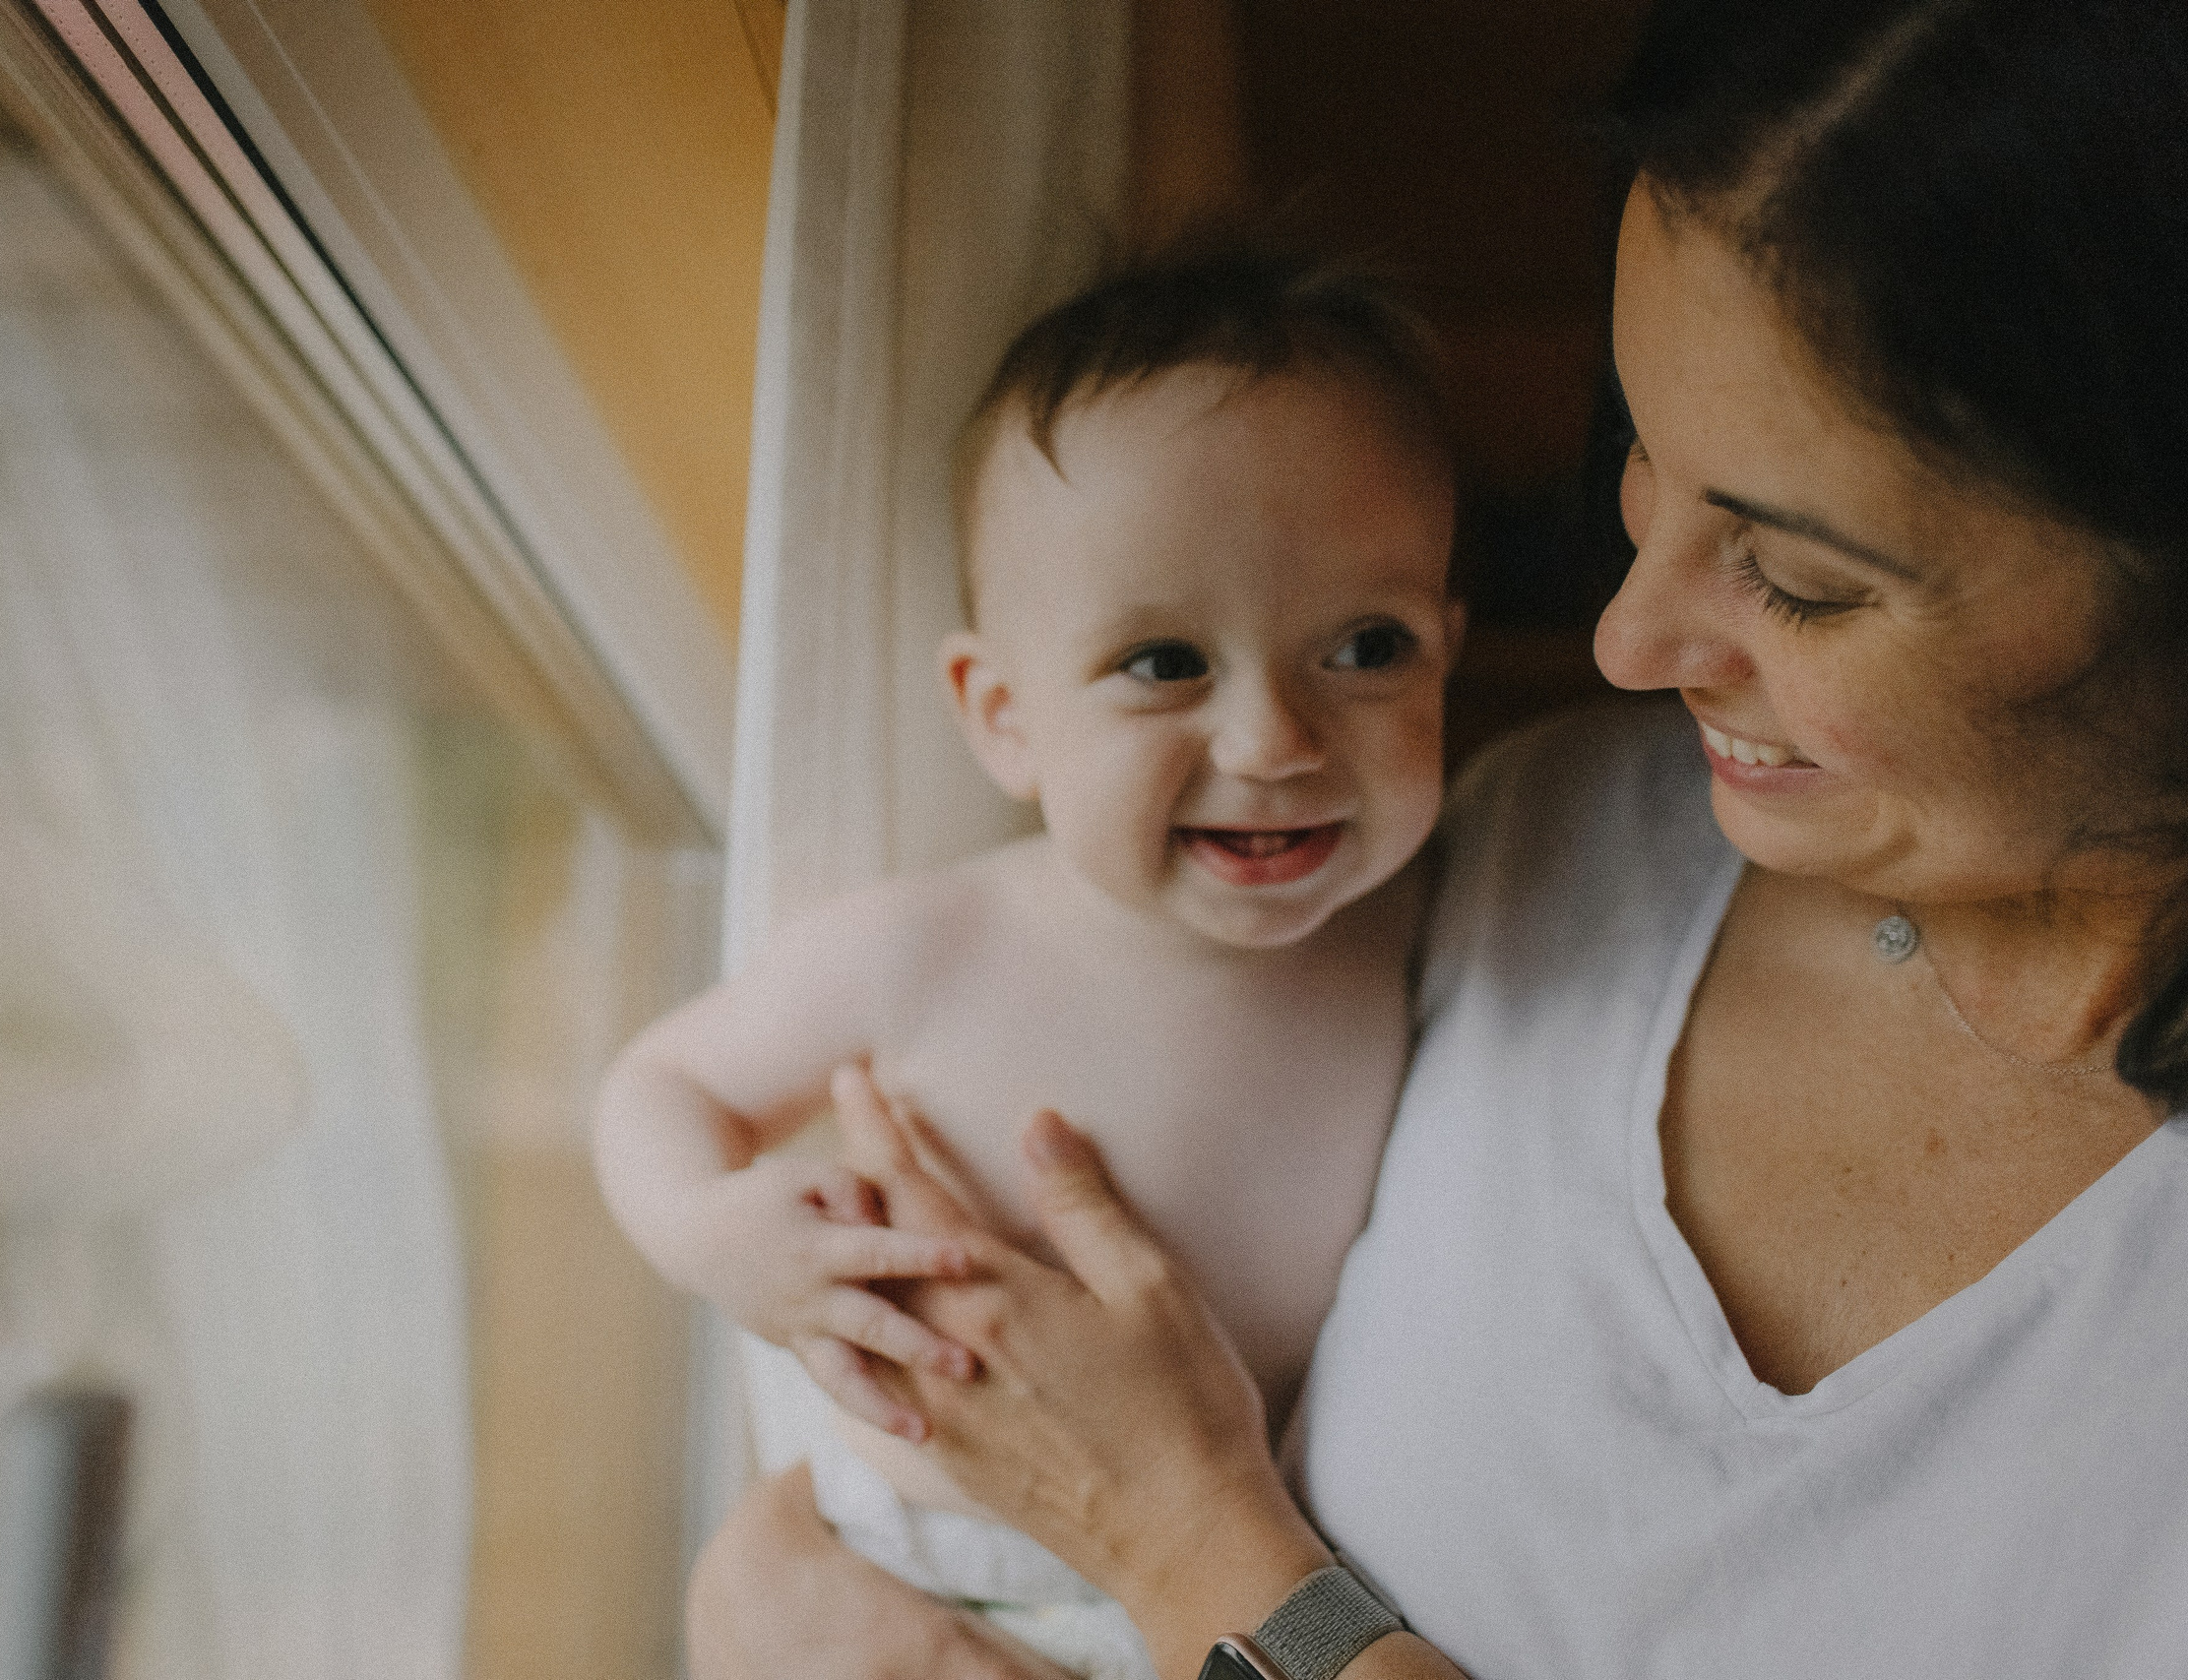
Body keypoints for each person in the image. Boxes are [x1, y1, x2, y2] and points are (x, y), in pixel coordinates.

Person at [684, 0, 2188, 1675]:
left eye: (1802, 577)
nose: (1623, 644)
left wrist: (1177, 1533)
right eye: (1639, 463)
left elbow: (1155, 1518)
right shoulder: (1535, 845)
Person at [593, 252, 1464, 1679]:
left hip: (1237, 1592)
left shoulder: (1434, 928)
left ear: (1450, 651)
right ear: (1002, 715)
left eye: (1368, 646)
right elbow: (663, 1078)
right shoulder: (937, 944)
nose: (1274, 743)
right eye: (1165, 661)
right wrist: (720, 1237)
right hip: (914, 1570)